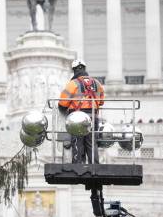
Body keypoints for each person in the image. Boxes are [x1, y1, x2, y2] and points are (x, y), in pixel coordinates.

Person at [58, 59, 106, 217]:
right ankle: (94, 165)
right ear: (84, 68)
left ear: (74, 70)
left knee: (77, 141)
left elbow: (63, 102)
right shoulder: (97, 83)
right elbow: (102, 101)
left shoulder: (73, 84)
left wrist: (65, 107)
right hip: (93, 116)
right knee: (92, 143)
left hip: (78, 116)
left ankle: (78, 164)